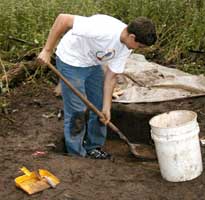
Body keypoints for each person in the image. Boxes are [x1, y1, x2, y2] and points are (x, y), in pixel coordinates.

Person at [38, 14, 157, 159]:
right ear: (132, 36)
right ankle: (76, 154)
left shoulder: (126, 47)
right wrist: (47, 50)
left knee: (100, 107)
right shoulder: (103, 29)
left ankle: (93, 147)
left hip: (93, 64)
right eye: (140, 45)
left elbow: (111, 76)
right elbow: (63, 19)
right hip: (71, 61)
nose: (138, 49)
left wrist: (106, 107)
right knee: (77, 110)